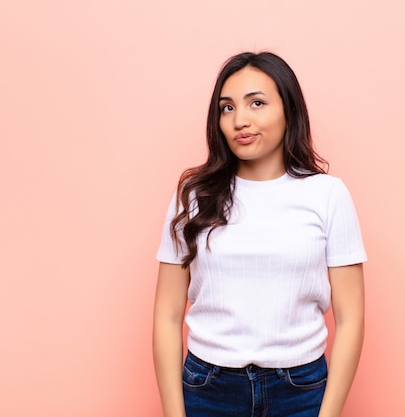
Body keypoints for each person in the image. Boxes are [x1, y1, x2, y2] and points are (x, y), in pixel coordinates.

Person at [153, 51, 367, 417]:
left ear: (289, 110)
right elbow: (166, 316)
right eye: (227, 108)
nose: (240, 120)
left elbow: (351, 320)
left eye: (257, 103)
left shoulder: (327, 194)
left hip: (300, 389)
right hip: (208, 387)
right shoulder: (193, 196)